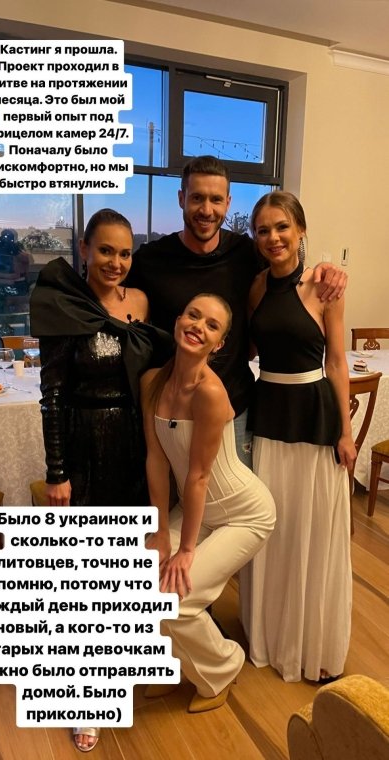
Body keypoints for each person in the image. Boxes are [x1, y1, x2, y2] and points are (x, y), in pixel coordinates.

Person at [30, 209, 172, 752]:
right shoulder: (64, 305)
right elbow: (51, 396)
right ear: (84, 249)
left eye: (125, 252)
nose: (116, 262)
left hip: (134, 448)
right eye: (106, 250)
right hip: (85, 446)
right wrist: (57, 473)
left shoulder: (141, 303)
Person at [127, 155, 348, 467]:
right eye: (197, 198)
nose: (207, 210)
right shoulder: (151, 260)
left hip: (235, 410)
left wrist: (325, 270)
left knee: (238, 497)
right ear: (181, 198)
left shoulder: (245, 254)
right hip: (172, 411)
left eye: (216, 199)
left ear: (228, 203)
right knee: (178, 495)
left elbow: (285, 268)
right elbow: (114, 295)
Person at [239, 191, 356, 683]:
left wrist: (346, 432)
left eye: (282, 227)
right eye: (263, 230)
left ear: (301, 230)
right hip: (269, 416)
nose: (273, 238)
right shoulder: (256, 288)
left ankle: (312, 642)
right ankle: (271, 635)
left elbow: (337, 362)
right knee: (274, 529)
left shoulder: (324, 287)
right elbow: (248, 349)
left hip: (314, 418)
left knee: (314, 530)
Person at [140, 293, 276, 713]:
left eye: (212, 325)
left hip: (243, 513)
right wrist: (159, 530)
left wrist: (184, 550)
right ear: (179, 320)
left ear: (219, 344)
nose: (199, 326)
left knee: (176, 599)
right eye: (193, 315)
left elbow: (199, 476)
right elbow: (156, 460)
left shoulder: (210, 393)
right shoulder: (152, 382)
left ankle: (223, 667)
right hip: (198, 511)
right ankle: (175, 668)